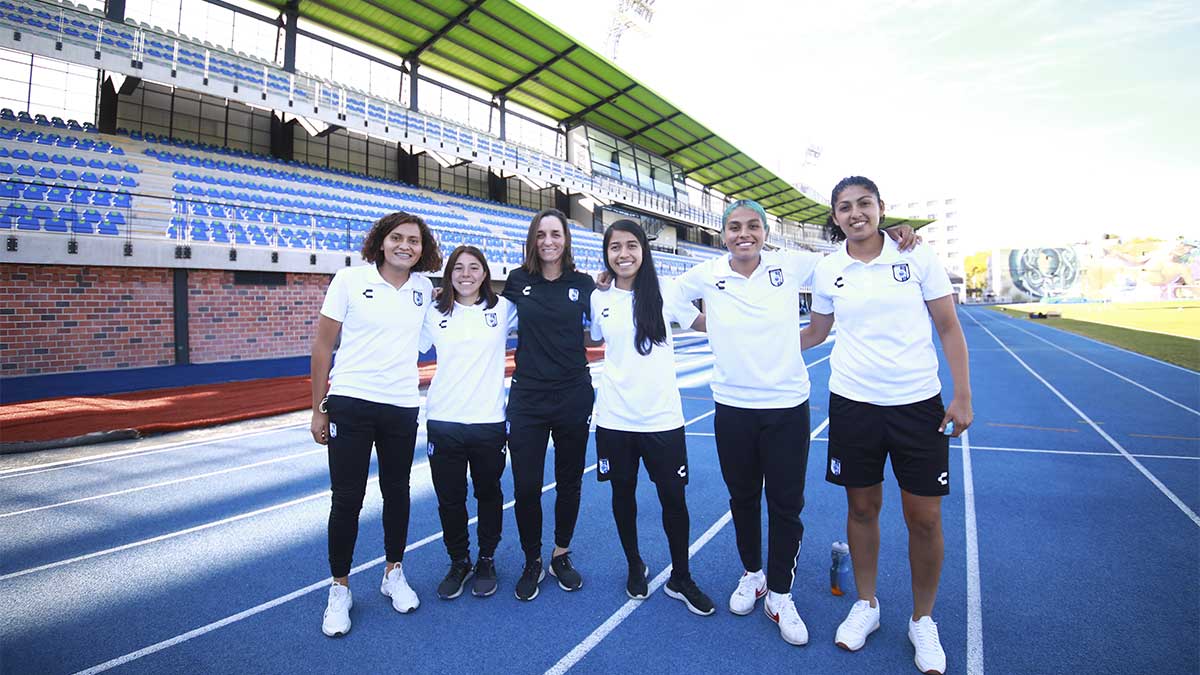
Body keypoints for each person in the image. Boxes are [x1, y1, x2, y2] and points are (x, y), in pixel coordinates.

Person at [674, 198, 917, 646]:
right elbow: (670, 294)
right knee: (742, 498)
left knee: (786, 505)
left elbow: (848, 254)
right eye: (733, 227)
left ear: (765, 232)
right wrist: (710, 325)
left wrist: (891, 234)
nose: (743, 233)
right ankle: (753, 575)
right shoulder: (708, 273)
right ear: (722, 233)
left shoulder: (793, 265)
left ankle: (781, 595)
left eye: (752, 226)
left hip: (786, 406)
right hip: (731, 406)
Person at [801, 176, 971, 675]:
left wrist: (962, 394)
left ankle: (922, 619)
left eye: (864, 204)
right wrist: (757, 346)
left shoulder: (915, 255)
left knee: (924, 518)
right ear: (834, 217)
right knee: (862, 507)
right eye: (845, 207)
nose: (856, 214)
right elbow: (817, 331)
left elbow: (947, 326)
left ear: (880, 208)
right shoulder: (828, 268)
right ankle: (867, 605)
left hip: (917, 404)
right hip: (853, 404)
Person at [310, 211, 442, 637]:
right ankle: (340, 588)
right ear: (381, 241)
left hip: (401, 405)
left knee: (397, 493)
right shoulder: (349, 280)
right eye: (398, 238)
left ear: (424, 249)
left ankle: (393, 573)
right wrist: (317, 407)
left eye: (415, 241)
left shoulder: (424, 289)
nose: (406, 246)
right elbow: (323, 344)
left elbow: (435, 335)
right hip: (350, 403)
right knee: (346, 499)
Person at [589, 219, 714, 615]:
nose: (623, 254)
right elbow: (593, 338)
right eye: (615, 248)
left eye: (631, 245)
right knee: (622, 496)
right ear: (607, 254)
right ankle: (634, 564)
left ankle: (681, 576)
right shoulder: (599, 298)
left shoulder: (667, 292)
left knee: (673, 500)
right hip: (614, 419)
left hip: (662, 420)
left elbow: (704, 324)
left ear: (644, 249)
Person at [502, 207, 597, 601]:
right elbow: (490, 321)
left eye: (555, 234)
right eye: (540, 235)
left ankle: (560, 553)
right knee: (526, 485)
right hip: (528, 397)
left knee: (570, 480)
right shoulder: (517, 281)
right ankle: (531, 559)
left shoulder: (585, 283)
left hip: (573, 393)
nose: (548, 242)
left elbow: (600, 330)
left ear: (566, 239)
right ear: (532, 239)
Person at [420, 245, 516, 600]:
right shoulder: (432, 312)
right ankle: (459, 560)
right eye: (458, 268)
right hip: (443, 421)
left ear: (485, 274)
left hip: (488, 421)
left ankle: (487, 558)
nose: (465, 274)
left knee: (488, 493)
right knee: (450, 498)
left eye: (474, 267)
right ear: (449, 274)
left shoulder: (504, 309)